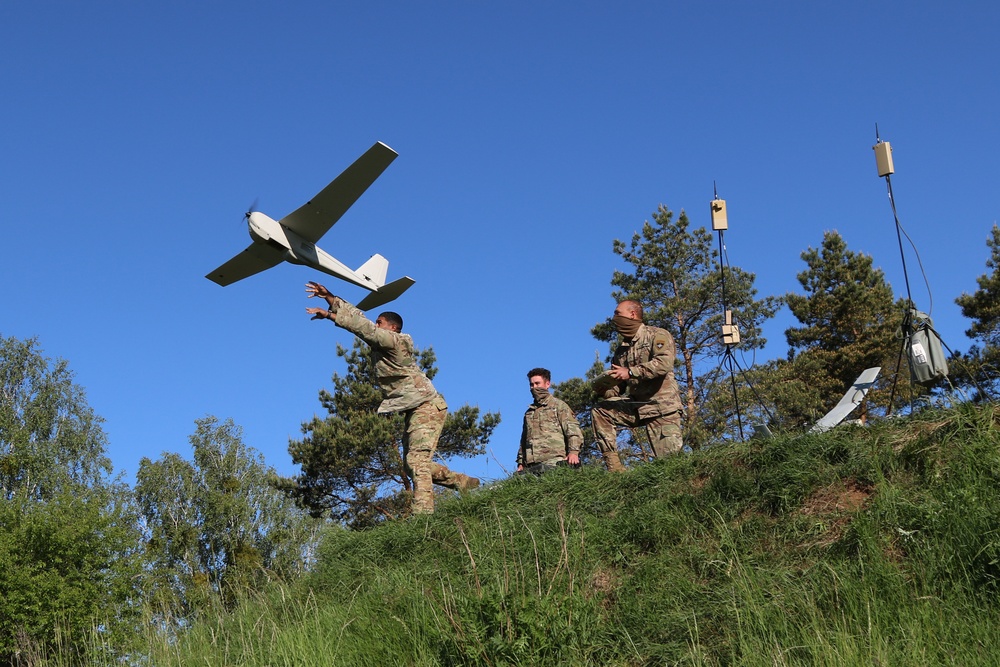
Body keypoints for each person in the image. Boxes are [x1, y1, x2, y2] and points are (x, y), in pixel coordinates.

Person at [304, 281, 478, 514]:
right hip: (414, 405)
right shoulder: (382, 343)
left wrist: (331, 314)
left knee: (416, 461)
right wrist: (330, 299)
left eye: (380, 323)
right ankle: (461, 482)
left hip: (427, 404)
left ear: (393, 328)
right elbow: (361, 321)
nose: (376, 326)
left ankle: (424, 517)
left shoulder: (397, 342)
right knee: (411, 465)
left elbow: (365, 328)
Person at [590, 300, 683, 471]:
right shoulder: (621, 351)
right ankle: (616, 470)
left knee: (671, 467)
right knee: (600, 410)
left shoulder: (657, 335)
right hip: (637, 406)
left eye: (618, 313)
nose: (614, 318)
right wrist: (606, 389)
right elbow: (619, 387)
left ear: (632, 314)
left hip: (661, 408)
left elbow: (664, 364)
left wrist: (631, 371)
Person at [516, 368, 583, 475]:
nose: (534, 388)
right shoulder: (529, 413)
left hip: (554, 462)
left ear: (547, 384)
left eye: (537, 383)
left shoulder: (559, 406)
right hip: (531, 466)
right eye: (531, 385)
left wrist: (574, 452)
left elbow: (573, 430)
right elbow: (524, 441)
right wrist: (521, 462)